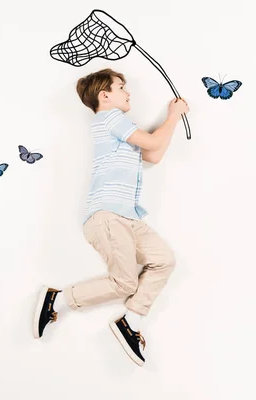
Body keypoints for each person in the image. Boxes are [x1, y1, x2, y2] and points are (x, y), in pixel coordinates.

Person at [32, 68, 190, 367]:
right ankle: (58, 299)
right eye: (121, 87)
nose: (127, 92)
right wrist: (174, 116)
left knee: (164, 259)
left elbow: (154, 154)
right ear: (105, 96)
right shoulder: (110, 119)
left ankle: (132, 320)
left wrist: (170, 122)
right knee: (125, 282)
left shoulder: (121, 129)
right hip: (107, 216)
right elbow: (155, 144)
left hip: (127, 217)